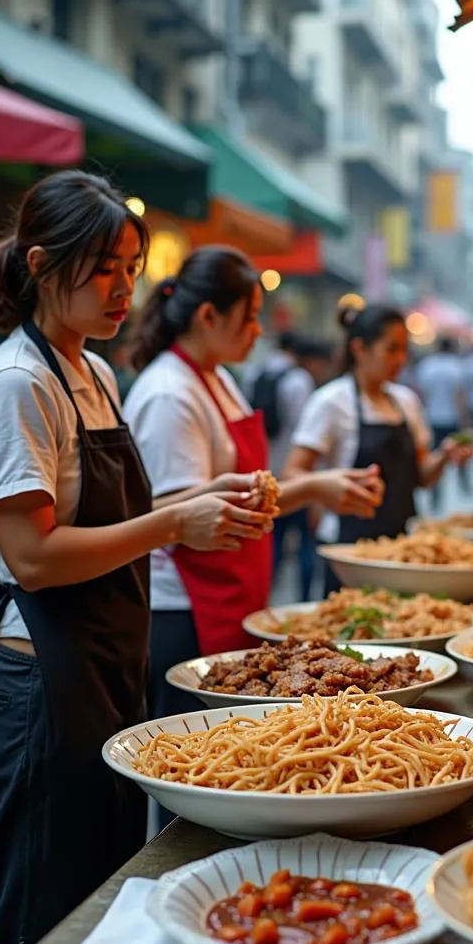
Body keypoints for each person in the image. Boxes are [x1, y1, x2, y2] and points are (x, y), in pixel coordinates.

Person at [0, 172, 275, 944]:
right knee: (34, 924)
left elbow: (127, 515)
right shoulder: (18, 382)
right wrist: (176, 527)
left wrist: (210, 503)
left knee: (95, 897)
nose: (123, 288)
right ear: (39, 263)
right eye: (103, 268)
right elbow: (31, 554)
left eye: (131, 267)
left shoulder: (89, 370)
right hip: (35, 682)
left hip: (97, 668)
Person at [124, 246, 385, 723]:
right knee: (189, 759)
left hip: (231, 592)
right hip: (186, 607)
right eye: (249, 317)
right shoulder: (169, 394)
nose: (259, 330)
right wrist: (311, 488)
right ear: (208, 316)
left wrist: (315, 487)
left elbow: (243, 499)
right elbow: (170, 513)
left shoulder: (216, 378)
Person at [284, 304, 473, 591]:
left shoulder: (406, 401)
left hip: (400, 548)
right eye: (391, 349)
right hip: (348, 550)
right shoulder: (331, 401)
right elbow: (291, 472)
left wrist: (445, 455)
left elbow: (421, 477)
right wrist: (321, 488)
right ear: (359, 348)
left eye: (404, 350)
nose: (401, 359)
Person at [241, 330, 318, 602]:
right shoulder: (299, 380)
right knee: (305, 544)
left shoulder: (254, 373)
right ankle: (305, 599)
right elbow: (304, 429)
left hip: (265, 472)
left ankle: (267, 596)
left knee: (271, 541)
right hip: (293, 474)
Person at [415, 336, 470, 510]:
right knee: (456, 453)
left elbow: (422, 393)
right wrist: (465, 419)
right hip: (451, 418)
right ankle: (463, 483)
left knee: (434, 456)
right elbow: (459, 395)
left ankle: (435, 492)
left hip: (432, 418)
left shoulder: (427, 366)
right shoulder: (455, 366)